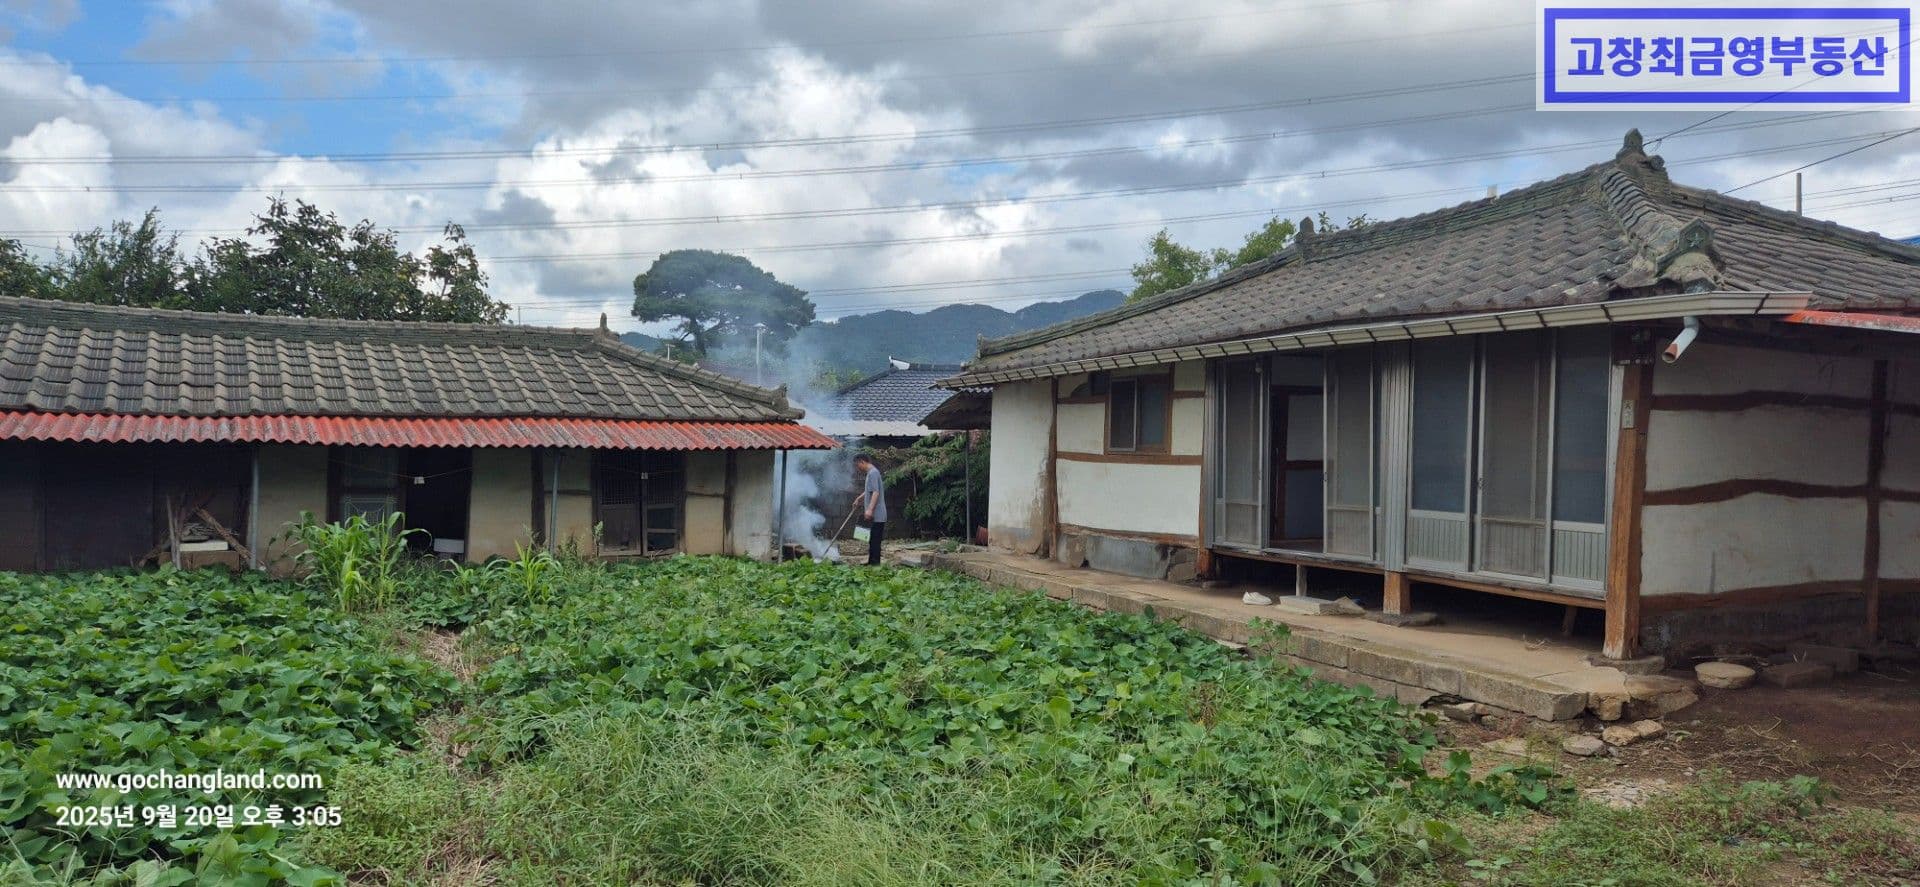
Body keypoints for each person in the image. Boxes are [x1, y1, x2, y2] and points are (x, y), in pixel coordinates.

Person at [851, 453, 887, 565]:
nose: (858, 468)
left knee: (875, 540)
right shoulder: (871, 473)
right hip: (873, 515)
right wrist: (859, 498)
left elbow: (876, 492)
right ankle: (871, 562)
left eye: (858, 465)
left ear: (862, 461)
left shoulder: (873, 473)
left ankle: (875, 564)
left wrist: (870, 509)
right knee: (871, 539)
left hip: (877, 515)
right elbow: (869, 490)